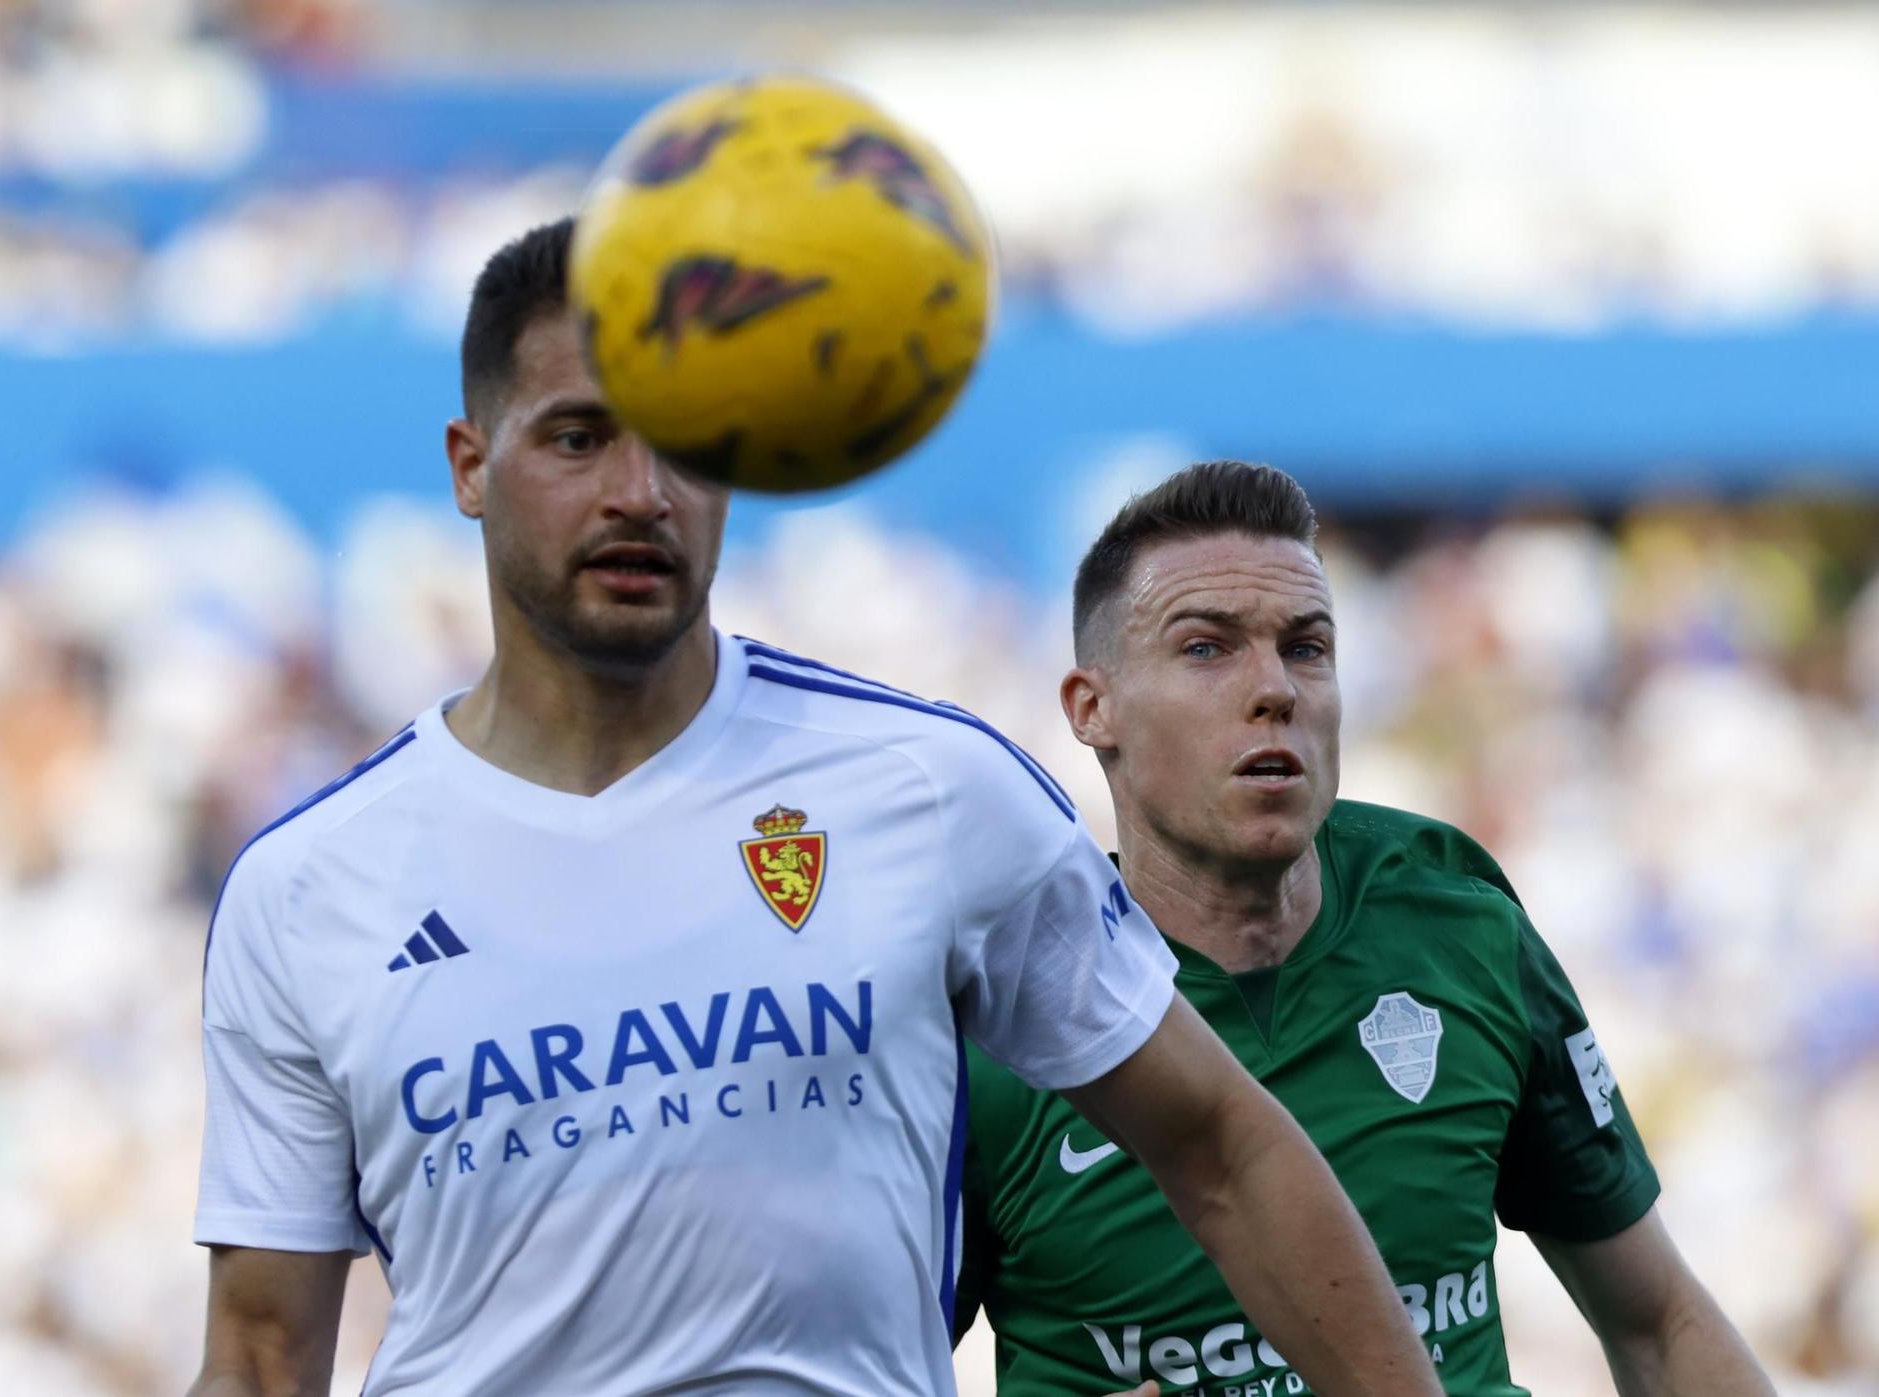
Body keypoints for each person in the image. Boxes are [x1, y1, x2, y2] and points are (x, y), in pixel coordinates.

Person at [186, 222, 1439, 1397]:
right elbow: (256, 1346)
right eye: (578, 438)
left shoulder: (927, 786)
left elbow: (1224, 1150)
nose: (640, 491)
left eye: (687, 442)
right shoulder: (308, 889)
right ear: (471, 465)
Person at [953, 460, 1775, 1396]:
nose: (1275, 690)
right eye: (1206, 649)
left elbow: (1659, 1322)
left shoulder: (1456, 919)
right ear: (1090, 708)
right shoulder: (1002, 1011)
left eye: (1307, 647)